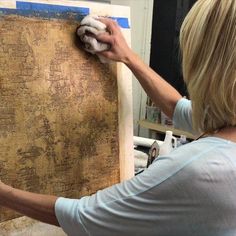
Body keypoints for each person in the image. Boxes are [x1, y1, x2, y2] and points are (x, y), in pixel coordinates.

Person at [0, 0, 236, 235]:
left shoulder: (200, 170)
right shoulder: (226, 125)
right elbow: (175, 106)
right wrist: (128, 57)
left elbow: (84, 215)